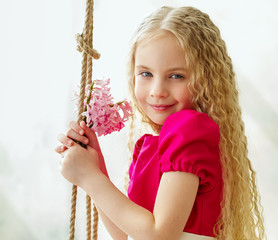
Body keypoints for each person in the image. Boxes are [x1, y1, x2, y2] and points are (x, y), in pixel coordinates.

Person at [55, 6, 265, 240]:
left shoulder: (190, 129)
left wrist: (89, 177)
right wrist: (96, 166)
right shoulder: (148, 147)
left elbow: (159, 235)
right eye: (146, 74)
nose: (157, 91)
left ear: (205, 80)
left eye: (176, 76)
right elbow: (124, 232)